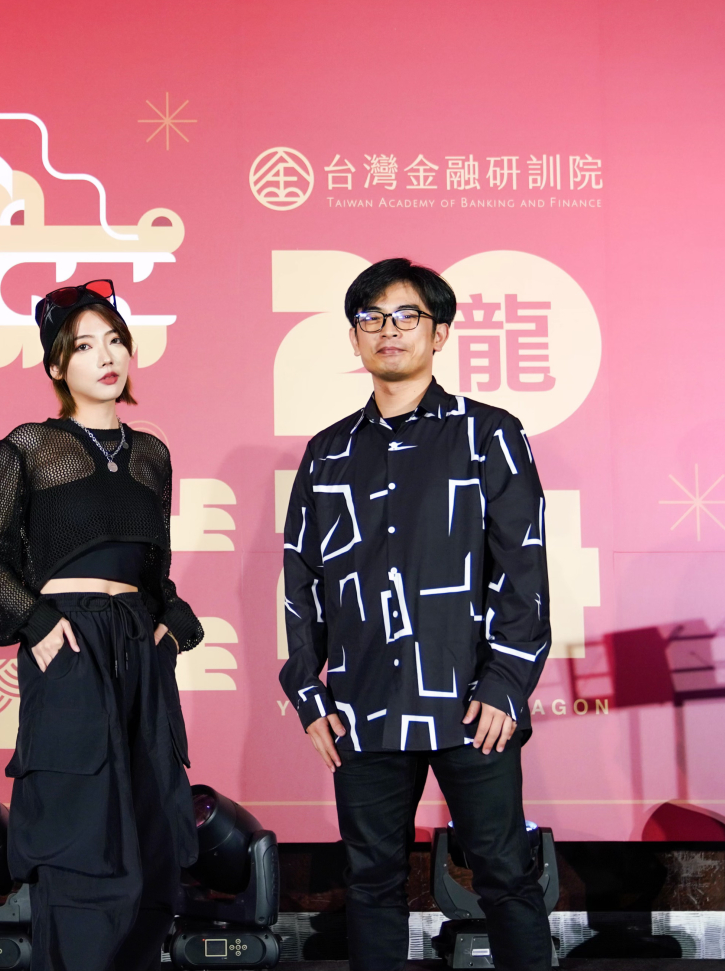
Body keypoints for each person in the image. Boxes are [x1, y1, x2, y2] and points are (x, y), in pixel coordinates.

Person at [278, 259, 555, 970]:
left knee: (505, 875)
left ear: (440, 333)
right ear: (354, 338)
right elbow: (301, 580)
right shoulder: (327, 453)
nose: (388, 330)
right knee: (370, 883)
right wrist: (309, 693)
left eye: (406, 316)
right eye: (371, 318)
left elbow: (523, 566)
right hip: (365, 704)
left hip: (470, 699)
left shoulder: (488, 433)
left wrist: (506, 681)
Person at [0, 280, 205, 971]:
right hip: (68, 643)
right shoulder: (31, 446)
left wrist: (172, 625)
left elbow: (156, 573)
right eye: (85, 346)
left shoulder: (152, 455)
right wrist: (36, 621)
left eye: (116, 341)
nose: (106, 357)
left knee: (152, 837)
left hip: (137, 648)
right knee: (78, 833)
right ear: (55, 365)